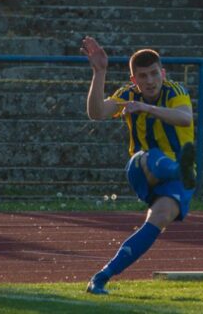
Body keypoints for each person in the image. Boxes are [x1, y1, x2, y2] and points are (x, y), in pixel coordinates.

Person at [81, 36, 196, 295]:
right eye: (142, 76)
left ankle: (102, 276)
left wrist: (144, 108)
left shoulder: (175, 90)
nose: (150, 81)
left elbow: (185, 118)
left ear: (163, 73)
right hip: (143, 168)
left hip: (178, 174)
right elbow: (97, 112)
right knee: (153, 157)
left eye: (154, 74)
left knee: (160, 218)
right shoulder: (127, 94)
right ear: (134, 80)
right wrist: (99, 72)